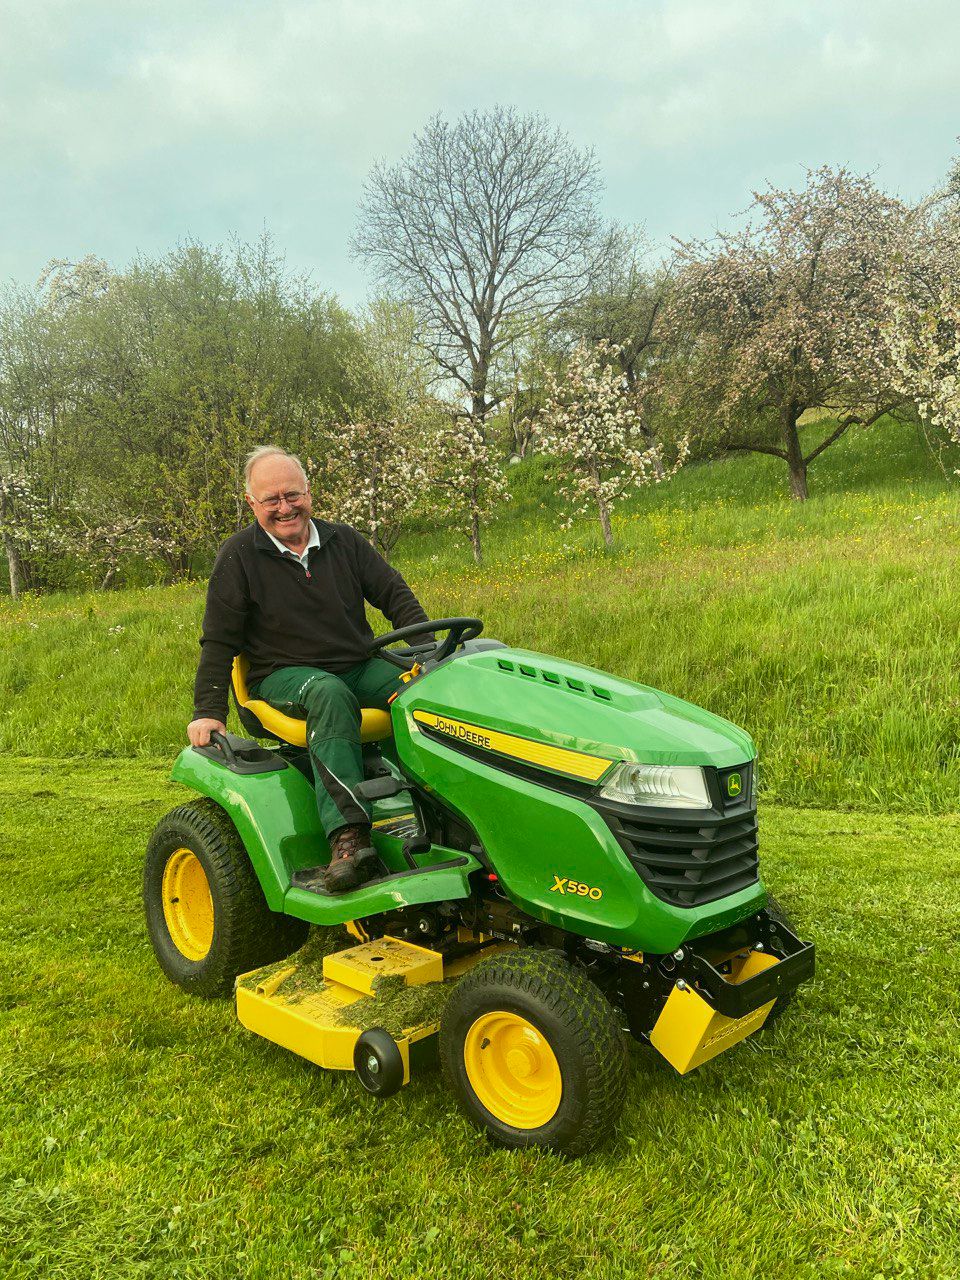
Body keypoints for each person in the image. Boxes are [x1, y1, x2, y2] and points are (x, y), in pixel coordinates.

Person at [188, 445, 430, 893]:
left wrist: (429, 654)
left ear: (309, 492)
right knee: (328, 693)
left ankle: (448, 809)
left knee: (427, 690)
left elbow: (395, 595)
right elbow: (219, 640)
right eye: (272, 500)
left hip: (357, 665)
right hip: (282, 676)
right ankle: (348, 840)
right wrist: (208, 709)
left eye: (292, 495)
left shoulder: (345, 542)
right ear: (252, 504)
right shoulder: (238, 556)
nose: (285, 507)